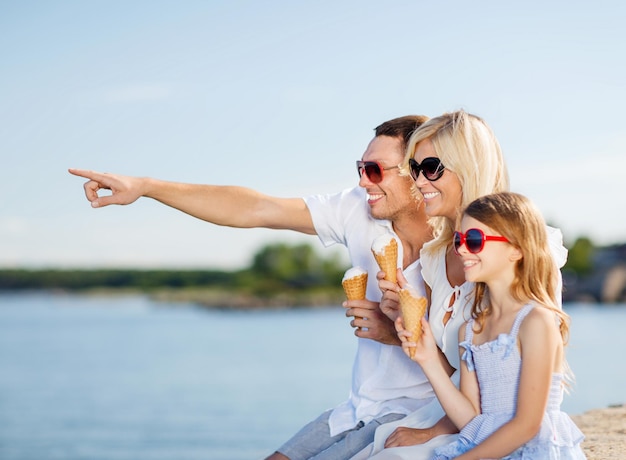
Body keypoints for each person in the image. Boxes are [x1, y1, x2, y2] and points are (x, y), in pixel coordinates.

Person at [68, 115, 438, 459]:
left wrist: (395, 333)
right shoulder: (357, 208)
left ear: (417, 174)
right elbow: (256, 207)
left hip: (418, 415)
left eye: (374, 171)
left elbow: (478, 359)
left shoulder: (462, 246)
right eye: (360, 169)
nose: (362, 182)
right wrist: (146, 187)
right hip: (356, 408)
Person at [352, 110, 568, 459]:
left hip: (481, 434)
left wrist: (434, 432)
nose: (419, 181)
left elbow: (525, 411)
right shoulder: (436, 258)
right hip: (460, 419)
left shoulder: (530, 247)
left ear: (468, 166)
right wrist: (404, 326)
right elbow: (460, 376)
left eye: (431, 167)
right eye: (415, 169)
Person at [400, 192, 586, 459]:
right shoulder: (470, 330)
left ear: (516, 249)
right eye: (458, 240)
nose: (462, 249)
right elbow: (471, 420)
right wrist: (428, 360)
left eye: (474, 240)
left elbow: (527, 426)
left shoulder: (535, 322)